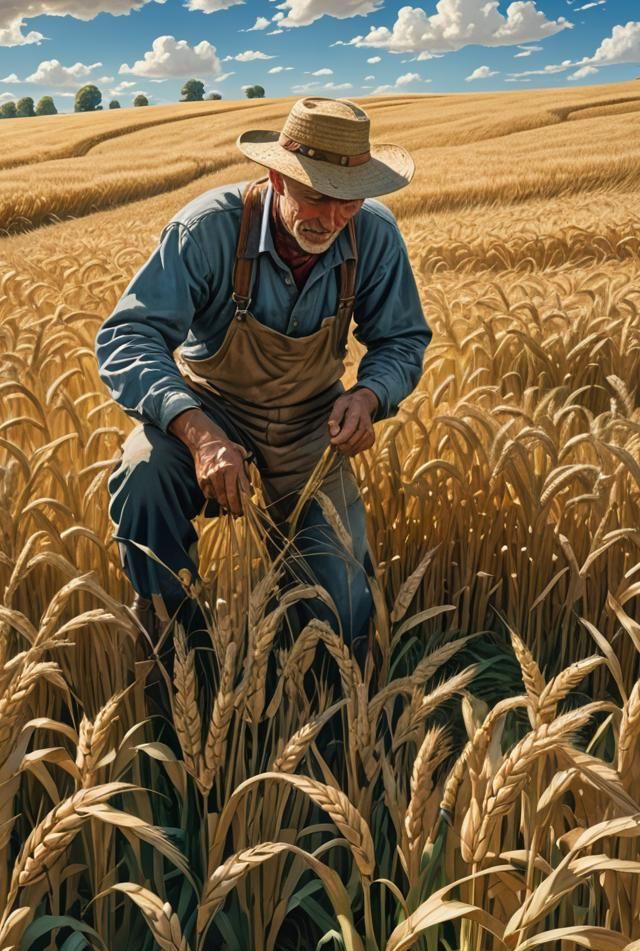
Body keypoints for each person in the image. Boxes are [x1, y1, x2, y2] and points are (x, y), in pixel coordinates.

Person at [96, 96, 432, 680]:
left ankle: (337, 713)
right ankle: (180, 670)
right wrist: (199, 434)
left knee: (344, 605)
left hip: (311, 425)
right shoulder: (207, 229)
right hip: (210, 411)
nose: (331, 218)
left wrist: (369, 395)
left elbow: (402, 340)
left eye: (348, 201)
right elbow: (129, 337)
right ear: (278, 178)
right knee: (144, 471)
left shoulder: (374, 235)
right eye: (316, 197)